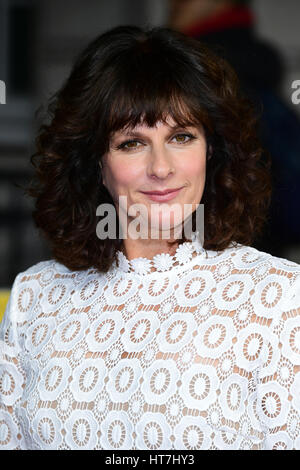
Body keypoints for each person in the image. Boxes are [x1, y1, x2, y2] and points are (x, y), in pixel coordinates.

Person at [0, 25, 300, 450]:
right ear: (96, 163)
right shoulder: (35, 297)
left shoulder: (279, 299)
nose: (161, 168)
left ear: (211, 151)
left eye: (181, 137)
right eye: (131, 143)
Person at [168, 0, 300, 257]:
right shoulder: (253, 71)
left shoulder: (214, 80)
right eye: (132, 144)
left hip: (227, 261)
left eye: (181, 138)